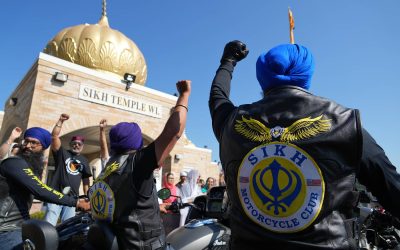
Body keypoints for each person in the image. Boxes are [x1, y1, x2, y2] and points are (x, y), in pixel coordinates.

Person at [209, 40, 400, 249]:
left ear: (261, 78)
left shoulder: (232, 123)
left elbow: (218, 97)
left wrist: (228, 61)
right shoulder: (345, 122)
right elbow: (393, 190)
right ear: (307, 74)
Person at [88, 79, 191, 249]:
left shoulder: (107, 168)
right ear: (136, 144)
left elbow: (129, 202)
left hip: (122, 242)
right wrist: (184, 95)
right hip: (145, 245)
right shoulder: (137, 162)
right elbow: (173, 131)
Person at [0, 127, 90, 250]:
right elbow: (40, 189)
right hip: (6, 228)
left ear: (43, 147)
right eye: (26, 141)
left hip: (18, 226)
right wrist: (76, 202)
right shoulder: (14, 163)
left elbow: (36, 191)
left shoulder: (30, 166)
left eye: (33, 143)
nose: (27, 146)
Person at [44, 114, 92, 226]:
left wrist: (86, 197)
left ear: (82, 146)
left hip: (72, 198)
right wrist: (60, 121)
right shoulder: (62, 153)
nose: (76, 145)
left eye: (79, 144)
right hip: (55, 195)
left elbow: (85, 181)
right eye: (74, 144)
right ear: (70, 145)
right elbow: (54, 137)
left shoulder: (84, 160)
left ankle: (62, 244)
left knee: (68, 227)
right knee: (48, 225)